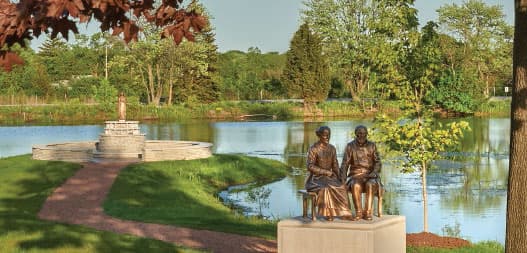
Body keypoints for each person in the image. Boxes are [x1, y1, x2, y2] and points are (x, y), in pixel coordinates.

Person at [305, 126, 352, 221]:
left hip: (330, 177)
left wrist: (340, 177)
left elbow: (335, 165)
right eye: (325, 135)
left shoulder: (332, 148)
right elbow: (310, 166)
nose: (327, 137)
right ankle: (328, 213)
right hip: (315, 179)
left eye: (328, 135)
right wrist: (326, 172)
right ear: (319, 135)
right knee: (325, 188)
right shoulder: (313, 149)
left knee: (342, 186)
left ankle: (344, 212)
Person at [340, 125, 382, 221]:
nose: (361, 135)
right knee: (355, 185)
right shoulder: (350, 146)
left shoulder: (372, 145)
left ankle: (368, 212)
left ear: (366, 134)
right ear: (356, 134)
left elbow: (378, 162)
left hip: (370, 175)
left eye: (363, 133)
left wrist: (374, 172)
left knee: (370, 185)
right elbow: (344, 164)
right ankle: (358, 212)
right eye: (359, 133)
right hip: (356, 175)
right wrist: (343, 178)